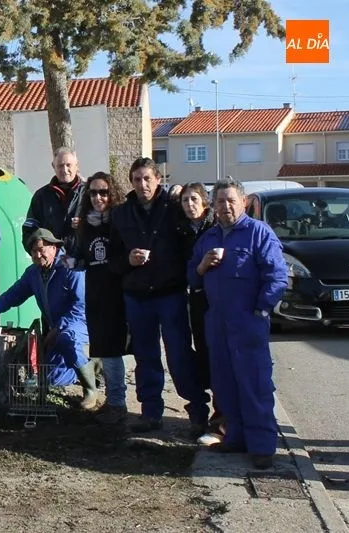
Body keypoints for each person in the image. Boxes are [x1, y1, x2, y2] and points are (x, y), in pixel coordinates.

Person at [188, 179, 288, 470]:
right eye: (220, 201)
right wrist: (202, 265)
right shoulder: (208, 239)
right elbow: (192, 278)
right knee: (225, 384)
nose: (225, 206)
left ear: (243, 202)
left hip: (248, 322)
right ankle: (235, 438)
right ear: (213, 205)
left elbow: (277, 276)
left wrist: (260, 310)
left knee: (254, 383)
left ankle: (262, 447)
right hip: (217, 322)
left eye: (231, 200)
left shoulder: (259, 233)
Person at [108, 157, 209, 435]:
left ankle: (198, 412)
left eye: (148, 179)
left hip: (170, 293)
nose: (143, 185)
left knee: (179, 355)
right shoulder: (121, 213)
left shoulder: (174, 207)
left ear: (158, 179)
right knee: (146, 357)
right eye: (137, 179)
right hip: (137, 296)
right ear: (131, 182)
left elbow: (196, 231)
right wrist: (127, 259)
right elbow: (112, 260)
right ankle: (150, 413)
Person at [0, 228, 93, 404]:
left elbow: (81, 305)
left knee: (66, 339)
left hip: (80, 322)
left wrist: (58, 328)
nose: (38, 255)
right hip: (57, 328)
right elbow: (11, 296)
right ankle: (92, 364)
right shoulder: (33, 273)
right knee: (52, 378)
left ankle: (90, 391)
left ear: (54, 248)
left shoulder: (70, 266)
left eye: (42, 249)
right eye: (33, 251)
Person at [72, 172, 130, 422]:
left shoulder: (119, 220)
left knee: (113, 349)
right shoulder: (86, 224)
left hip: (116, 293)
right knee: (103, 350)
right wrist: (76, 261)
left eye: (104, 192)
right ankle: (112, 400)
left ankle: (118, 403)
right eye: (93, 193)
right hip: (95, 292)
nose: (98, 197)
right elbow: (88, 258)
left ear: (112, 193)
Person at [178, 183, 223, 445]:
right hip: (195, 301)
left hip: (216, 302)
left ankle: (220, 420)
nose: (189, 204)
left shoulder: (215, 230)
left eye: (194, 199)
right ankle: (202, 414)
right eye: (184, 200)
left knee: (219, 360)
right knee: (201, 358)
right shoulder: (181, 230)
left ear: (204, 202)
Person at [23, 147, 84, 250]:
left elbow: (104, 224)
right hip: (52, 263)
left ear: (76, 165)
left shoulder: (90, 193)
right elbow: (29, 231)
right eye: (60, 166)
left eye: (68, 165)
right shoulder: (41, 196)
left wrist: (86, 224)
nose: (64, 170)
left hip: (83, 262)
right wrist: (39, 253)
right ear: (53, 166)